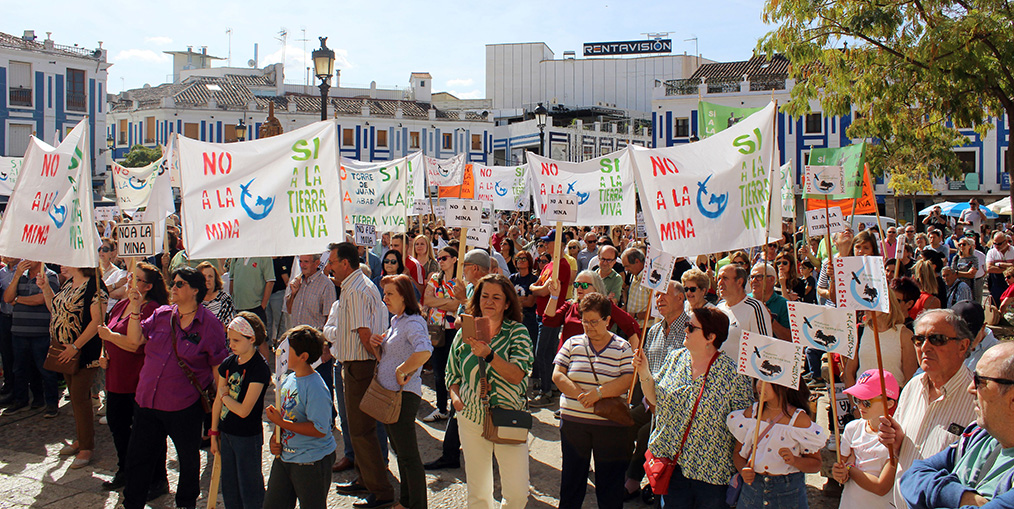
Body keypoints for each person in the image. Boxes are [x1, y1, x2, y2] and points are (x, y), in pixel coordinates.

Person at [121, 266, 229, 509]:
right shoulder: (161, 314)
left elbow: (217, 369)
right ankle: (132, 504)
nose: (173, 288)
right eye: (173, 282)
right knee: (137, 459)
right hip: (147, 402)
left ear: (195, 290)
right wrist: (136, 309)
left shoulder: (209, 325)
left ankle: (185, 504)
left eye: (180, 284)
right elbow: (134, 339)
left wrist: (218, 412)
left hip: (184, 407)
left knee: (188, 461)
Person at [635, 307, 754, 507]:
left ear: (710, 336)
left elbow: (745, 426)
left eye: (691, 327)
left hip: (711, 475)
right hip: (672, 466)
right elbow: (655, 398)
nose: (685, 330)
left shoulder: (733, 375)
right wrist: (643, 372)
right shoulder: (675, 358)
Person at [446, 274, 534, 509]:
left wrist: (489, 355)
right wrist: (456, 399)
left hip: (508, 418)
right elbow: (452, 374)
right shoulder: (465, 331)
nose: (489, 301)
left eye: (497, 297)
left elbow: (517, 375)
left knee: (517, 494)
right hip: (471, 417)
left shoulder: (518, 333)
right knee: (478, 493)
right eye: (485, 296)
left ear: (507, 304)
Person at [877, 308, 976, 508]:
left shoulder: (978, 399)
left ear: (963, 346)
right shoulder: (912, 387)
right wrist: (898, 444)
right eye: (919, 340)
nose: (925, 347)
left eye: (937, 339)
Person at [899, 341, 1014, 508]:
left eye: (980, 381)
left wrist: (934, 495)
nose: (970, 388)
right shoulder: (977, 436)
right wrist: (963, 498)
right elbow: (912, 476)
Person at [324, 242, 395, 508]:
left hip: (359, 365)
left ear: (345, 263)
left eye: (332, 261)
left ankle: (380, 489)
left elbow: (364, 334)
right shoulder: (362, 284)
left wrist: (375, 363)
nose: (329, 266)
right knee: (359, 428)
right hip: (360, 364)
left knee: (361, 431)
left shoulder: (353, 289)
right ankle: (366, 479)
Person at [552, 292, 635, 509]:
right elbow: (558, 374)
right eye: (584, 321)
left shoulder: (622, 347)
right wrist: (580, 394)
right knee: (572, 480)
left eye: (594, 322)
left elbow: (627, 379)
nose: (588, 326)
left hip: (609, 425)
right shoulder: (572, 343)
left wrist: (598, 393)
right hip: (574, 424)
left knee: (609, 483)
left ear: (608, 320)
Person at [96, 262, 169, 491]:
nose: (130, 281)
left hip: (137, 380)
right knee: (118, 426)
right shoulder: (121, 304)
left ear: (147, 286)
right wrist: (103, 353)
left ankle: (156, 478)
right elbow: (108, 332)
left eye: (136, 278)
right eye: (130, 276)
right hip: (115, 378)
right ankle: (125, 470)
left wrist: (110, 336)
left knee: (146, 433)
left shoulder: (150, 309)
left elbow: (135, 344)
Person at [38, 265, 107, 465]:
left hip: (83, 352)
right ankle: (81, 439)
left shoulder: (95, 287)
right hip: (64, 349)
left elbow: (97, 322)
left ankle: (86, 447)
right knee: (77, 398)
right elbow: (55, 308)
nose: (62, 263)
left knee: (79, 397)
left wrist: (76, 347)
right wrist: (45, 289)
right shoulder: (69, 283)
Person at [623, 280, 687, 500]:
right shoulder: (654, 331)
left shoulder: (691, 329)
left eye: (664, 295)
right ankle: (624, 475)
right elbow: (647, 367)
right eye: (656, 296)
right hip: (650, 399)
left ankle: (639, 481)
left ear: (681, 298)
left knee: (645, 435)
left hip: (674, 405)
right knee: (624, 423)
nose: (659, 300)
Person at [374, 274, 433, 509]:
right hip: (390, 395)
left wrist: (402, 370)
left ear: (404, 297)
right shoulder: (397, 320)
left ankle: (416, 504)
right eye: (385, 293)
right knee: (401, 452)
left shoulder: (413, 322)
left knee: (408, 455)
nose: (384, 298)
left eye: (389, 294)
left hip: (403, 395)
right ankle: (407, 502)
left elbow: (424, 351)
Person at [263, 325, 338, 509]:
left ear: (303, 357)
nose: (280, 352)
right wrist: (275, 438)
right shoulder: (288, 379)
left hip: (311, 461)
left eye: (287, 350)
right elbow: (286, 417)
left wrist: (281, 422)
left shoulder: (315, 387)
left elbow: (320, 429)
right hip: (285, 458)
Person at [728, 379, 825, 509]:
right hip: (752, 493)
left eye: (767, 381)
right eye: (758, 380)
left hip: (788, 495)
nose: (760, 385)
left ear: (784, 385)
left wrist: (795, 461)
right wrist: (743, 470)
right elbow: (738, 453)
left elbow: (816, 464)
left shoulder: (799, 420)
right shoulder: (752, 414)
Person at [211, 312, 270, 509]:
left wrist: (225, 396)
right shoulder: (228, 363)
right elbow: (217, 405)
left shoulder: (259, 368)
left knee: (250, 490)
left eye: (236, 340)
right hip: (227, 434)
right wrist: (213, 433)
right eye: (230, 340)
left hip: (247, 436)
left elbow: (244, 410)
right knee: (230, 488)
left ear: (251, 338)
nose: (231, 345)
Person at [832, 370, 900, 507]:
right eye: (857, 400)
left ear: (889, 404)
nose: (860, 406)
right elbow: (841, 475)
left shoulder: (895, 437)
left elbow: (880, 488)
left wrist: (850, 469)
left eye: (867, 402)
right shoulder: (852, 428)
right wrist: (838, 472)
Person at [2, 260, 60, 415]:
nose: (26, 259)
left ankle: (51, 403)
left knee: (46, 369)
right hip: (19, 331)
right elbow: (7, 298)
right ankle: (23, 400)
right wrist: (17, 276)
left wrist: (18, 300)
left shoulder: (50, 276)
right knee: (20, 369)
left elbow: (42, 299)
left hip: (41, 331)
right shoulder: (20, 276)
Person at [542, 270, 642, 351]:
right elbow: (549, 320)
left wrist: (631, 359)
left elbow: (632, 326)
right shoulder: (571, 305)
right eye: (577, 285)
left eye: (584, 285)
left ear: (596, 288)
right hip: (568, 361)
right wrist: (554, 296)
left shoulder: (605, 306)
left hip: (595, 362)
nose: (579, 288)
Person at [530, 229, 573, 407]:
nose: (546, 244)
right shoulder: (550, 265)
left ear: (561, 245)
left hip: (552, 315)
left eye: (550, 241)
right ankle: (551, 386)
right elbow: (536, 286)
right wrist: (536, 288)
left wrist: (537, 288)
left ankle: (546, 391)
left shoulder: (561, 266)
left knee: (542, 353)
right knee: (546, 352)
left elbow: (543, 289)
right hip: (541, 314)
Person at [845, 292, 918, 389]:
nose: (866, 306)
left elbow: (910, 377)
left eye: (871, 301)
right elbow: (849, 373)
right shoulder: (859, 331)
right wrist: (854, 402)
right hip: (864, 400)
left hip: (893, 400)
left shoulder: (905, 335)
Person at [422, 247, 460, 423]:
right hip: (437, 328)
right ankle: (441, 407)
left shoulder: (460, 281)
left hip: (454, 329)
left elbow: (458, 306)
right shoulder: (435, 279)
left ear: (454, 259)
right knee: (439, 370)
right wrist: (448, 302)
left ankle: (455, 406)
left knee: (454, 369)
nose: (441, 261)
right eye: (439, 258)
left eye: (444, 258)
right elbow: (427, 300)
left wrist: (442, 304)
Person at [716, 264, 772, 357]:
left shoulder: (755, 308)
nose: (720, 283)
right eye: (719, 278)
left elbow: (765, 347)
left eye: (725, 278)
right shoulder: (719, 307)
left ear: (739, 282)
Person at [748, 263, 791, 341]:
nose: (754, 280)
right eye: (752, 277)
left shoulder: (784, 305)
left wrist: (771, 320)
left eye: (759, 277)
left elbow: (790, 338)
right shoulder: (744, 300)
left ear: (771, 280)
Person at [509, 251, 539, 357]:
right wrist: (521, 299)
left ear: (529, 262)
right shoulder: (512, 278)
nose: (520, 261)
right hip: (513, 317)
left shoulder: (534, 280)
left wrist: (514, 300)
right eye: (518, 259)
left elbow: (530, 303)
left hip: (529, 319)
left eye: (524, 259)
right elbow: (508, 299)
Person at [954, 301, 998, 372]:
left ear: (983, 327)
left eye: (970, 338)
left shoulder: (996, 352)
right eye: (959, 337)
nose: (965, 344)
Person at [198, 261, 235, 328]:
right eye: (204, 276)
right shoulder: (195, 299)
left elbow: (229, 326)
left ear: (215, 279)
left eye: (210, 276)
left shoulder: (225, 299)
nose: (207, 279)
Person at [621, 247, 651, 321]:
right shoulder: (633, 276)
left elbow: (656, 312)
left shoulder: (650, 280)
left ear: (637, 261)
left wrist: (635, 315)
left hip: (645, 328)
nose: (626, 270)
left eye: (627, 266)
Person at [99, 238, 129, 312]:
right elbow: (99, 291)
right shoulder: (117, 273)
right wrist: (116, 285)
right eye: (99, 248)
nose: (101, 252)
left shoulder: (116, 271)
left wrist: (106, 290)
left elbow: (119, 294)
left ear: (112, 253)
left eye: (105, 249)